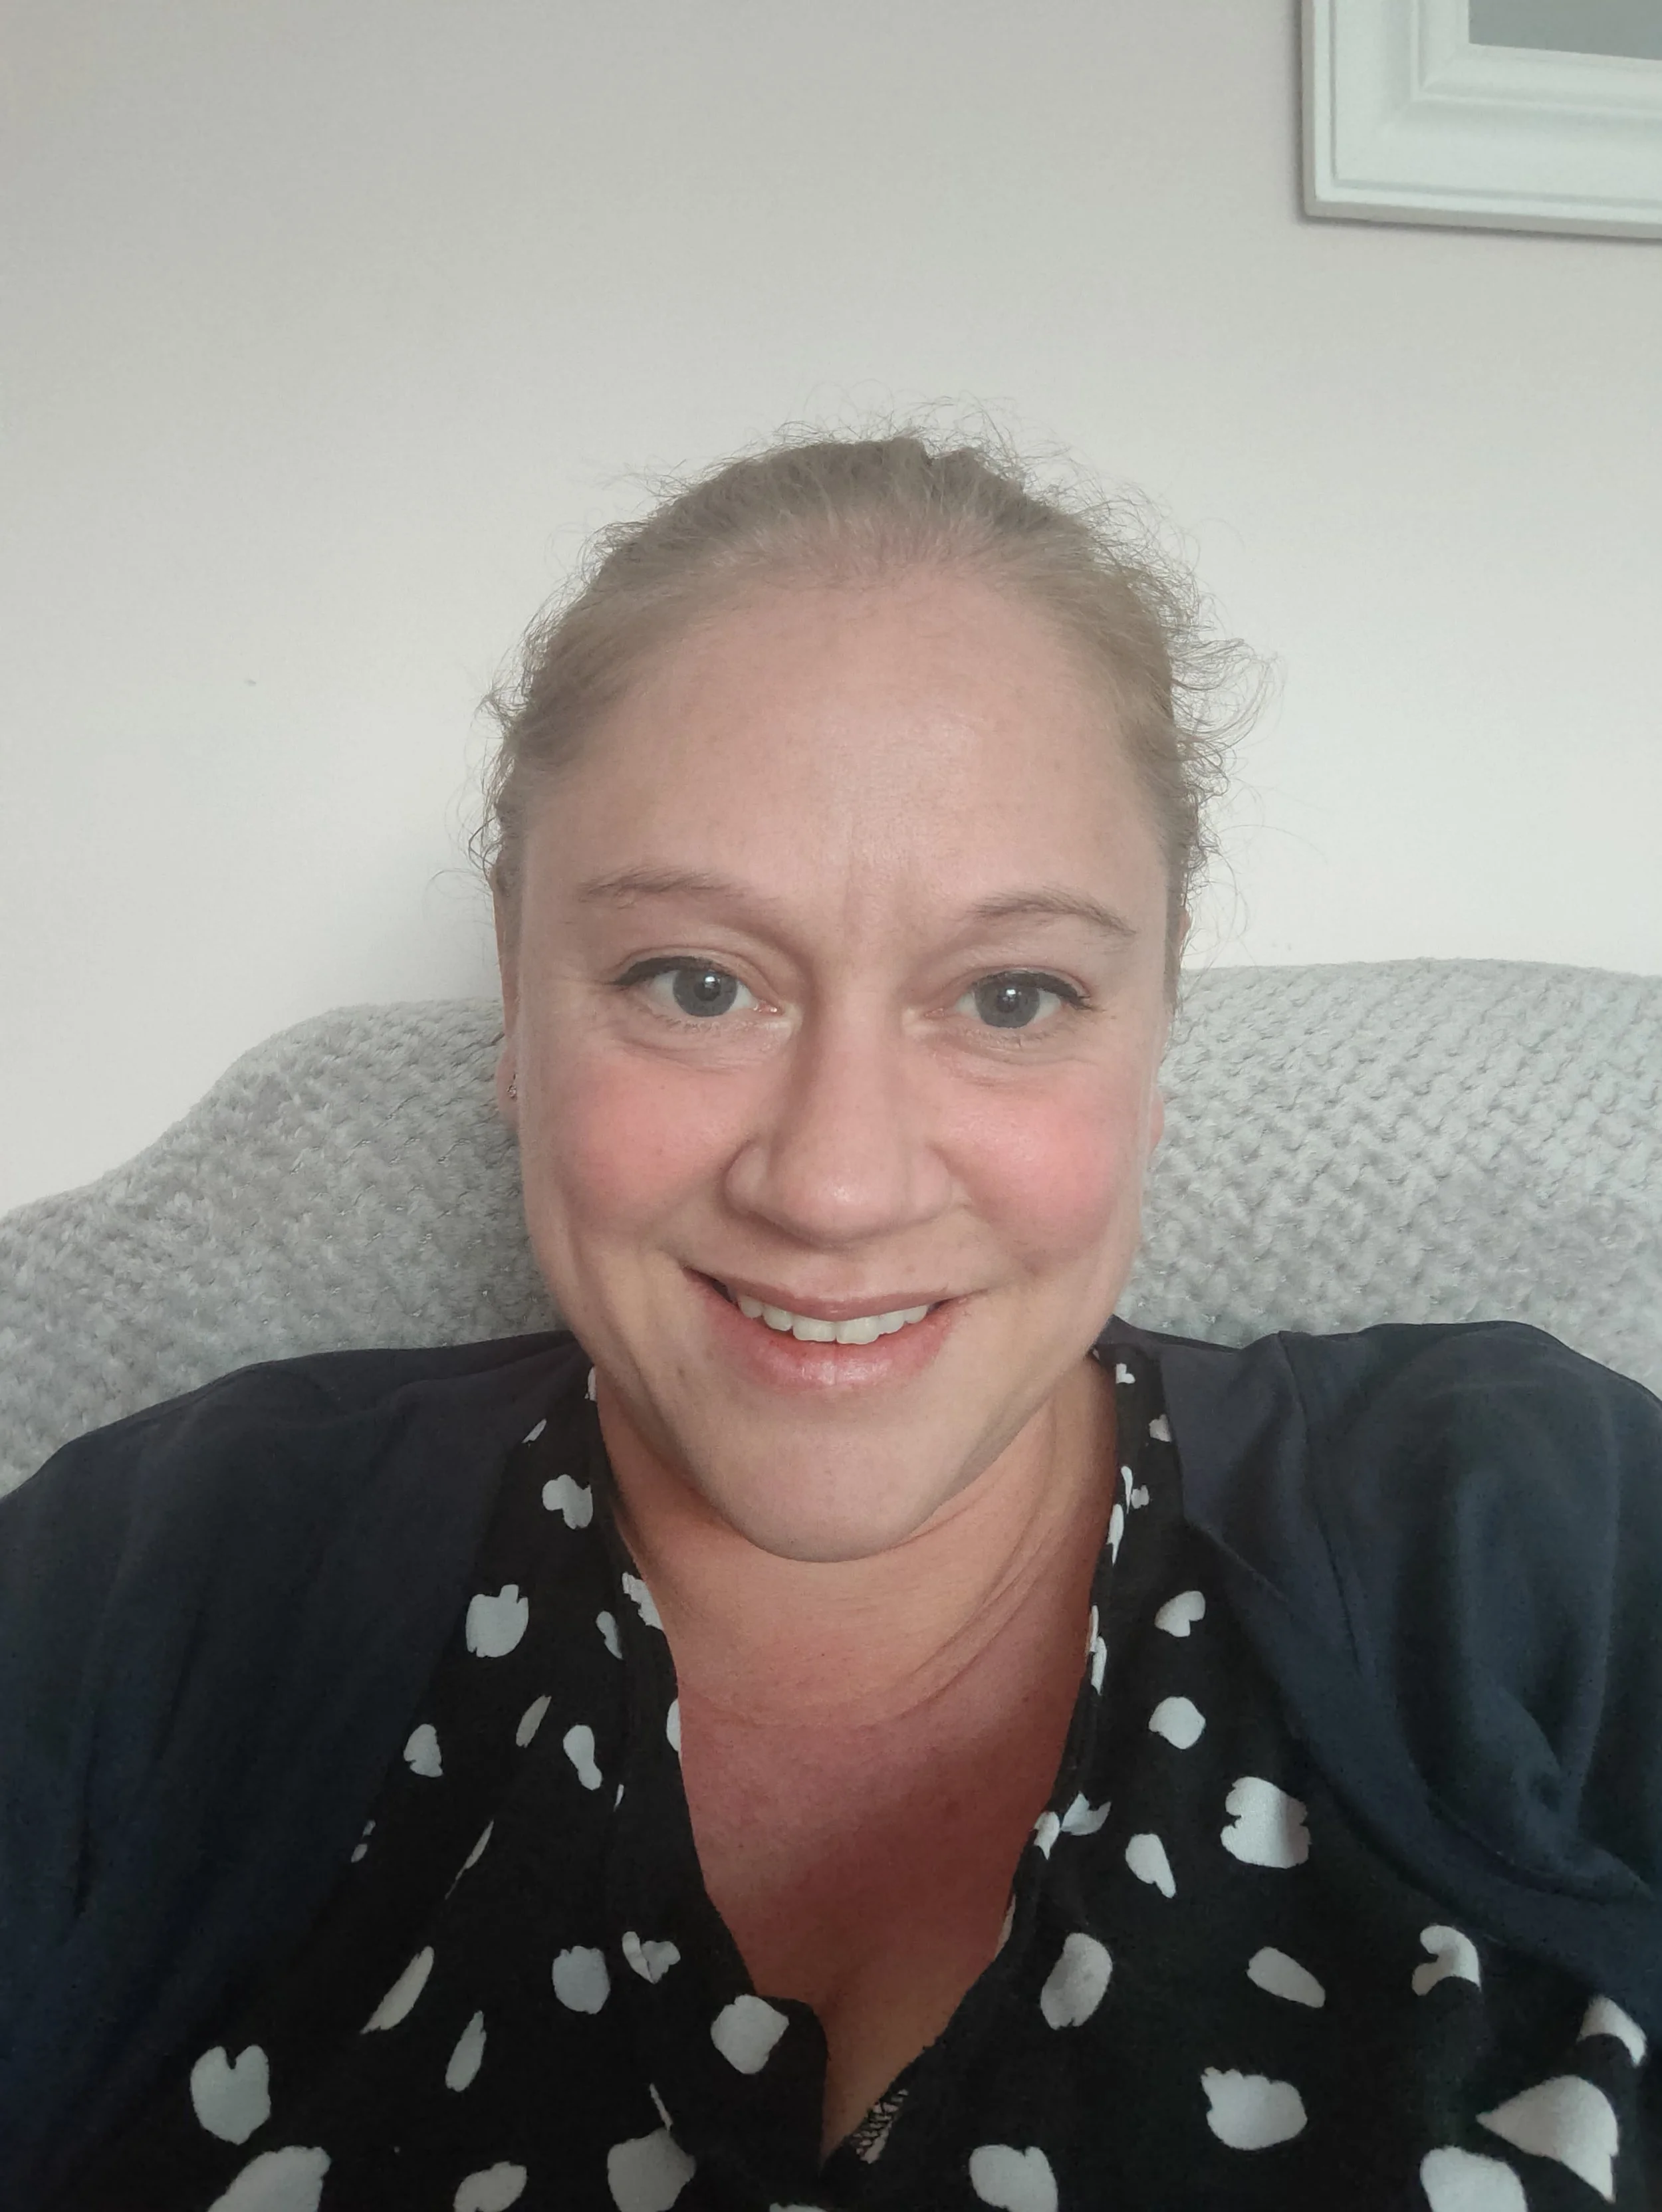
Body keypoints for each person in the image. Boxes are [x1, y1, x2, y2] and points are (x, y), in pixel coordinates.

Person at [1, 429, 1659, 2212]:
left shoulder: (1528, 1537)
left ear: (1156, 1027)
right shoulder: (155, 1575)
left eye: (1011, 995)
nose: (837, 1185)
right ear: (515, 998)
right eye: (694, 983)